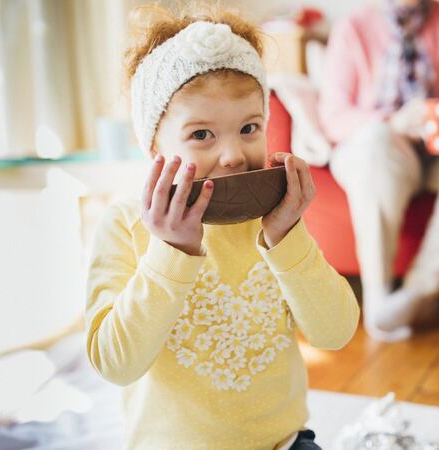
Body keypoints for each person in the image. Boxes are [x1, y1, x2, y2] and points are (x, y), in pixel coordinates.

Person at [84, 5, 359, 449]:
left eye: (249, 127)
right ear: (154, 145)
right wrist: (169, 251)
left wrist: (287, 238)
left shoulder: (273, 222)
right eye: (201, 135)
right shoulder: (124, 225)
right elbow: (116, 364)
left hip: (283, 442)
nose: (232, 154)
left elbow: (336, 332)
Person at [318, 0, 439, 341]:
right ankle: (378, 293)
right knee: (375, 140)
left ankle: (417, 294)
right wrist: (392, 122)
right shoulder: (352, 28)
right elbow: (333, 116)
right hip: (377, 153)